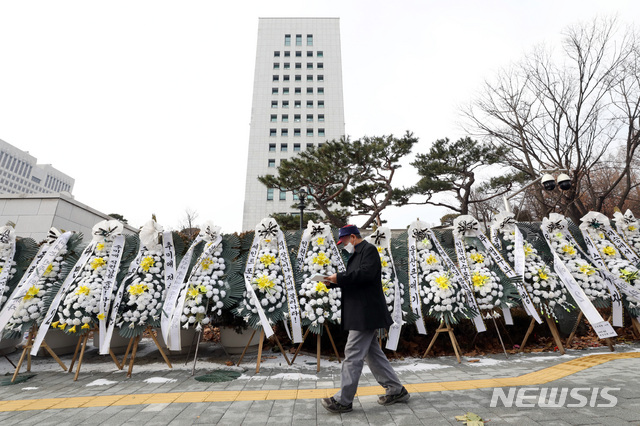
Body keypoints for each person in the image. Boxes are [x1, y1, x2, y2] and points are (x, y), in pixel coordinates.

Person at [321, 224, 409, 414]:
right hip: (362, 312)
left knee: (353, 354)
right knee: (372, 355)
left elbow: (365, 275)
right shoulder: (357, 254)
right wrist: (332, 282)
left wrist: (339, 278)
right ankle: (396, 390)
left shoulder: (368, 250)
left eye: (344, 241)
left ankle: (343, 401)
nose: (343, 244)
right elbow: (355, 280)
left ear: (352, 237)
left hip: (365, 313)